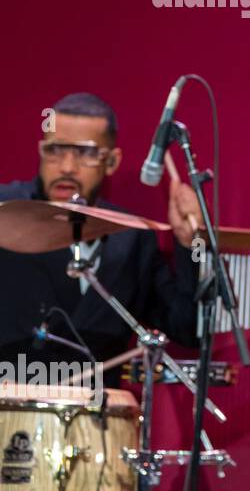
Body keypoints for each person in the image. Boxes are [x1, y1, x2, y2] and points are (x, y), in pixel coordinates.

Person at [0, 92, 201, 372]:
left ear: (112, 162)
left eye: (86, 153)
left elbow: (188, 329)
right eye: (55, 150)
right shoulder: (6, 212)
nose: (67, 167)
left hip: (97, 410)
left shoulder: (131, 236)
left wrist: (191, 243)